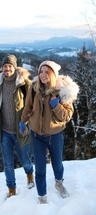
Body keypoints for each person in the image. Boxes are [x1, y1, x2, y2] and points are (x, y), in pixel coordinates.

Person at [19, 60, 79, 204]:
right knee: (39, 169)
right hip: (36, 135)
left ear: (53, 74)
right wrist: (23, 121)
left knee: (57, 164)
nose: (43, 75)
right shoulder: (34, 89)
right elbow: (27, 107)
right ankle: (42, 198)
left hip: (55, 135)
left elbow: (66, 116)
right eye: (41, 71)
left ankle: (59, 183)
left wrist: (56, 105)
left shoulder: (62, 92)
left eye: (47, 72)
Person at [0, 54, 34, 197]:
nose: (7, 68)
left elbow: (32, 105)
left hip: (20, 130)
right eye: (5, 66)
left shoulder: (24, 83)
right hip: (5, 132)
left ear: (14, 67)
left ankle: (29, 173)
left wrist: (27, 123)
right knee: (7, 164)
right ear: (2, 68)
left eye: (10, 66)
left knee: (25, 160)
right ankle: (11, 189)